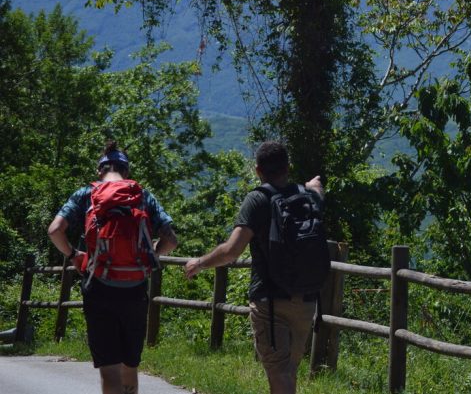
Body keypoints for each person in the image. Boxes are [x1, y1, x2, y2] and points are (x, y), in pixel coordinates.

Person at [185, 141, 325, 394]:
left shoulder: (258, 199)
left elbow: (232, 251)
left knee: (279, 372)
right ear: (288, 167)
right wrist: (314, 186)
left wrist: (200, 262)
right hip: (306, 299)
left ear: (258, 170)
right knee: (289, 369)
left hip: (269, 301)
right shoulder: (308, 196)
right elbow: (317, 192)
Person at [48, 140, 178, 394]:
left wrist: (73, 255)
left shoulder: (86, 194)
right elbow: (171, 240)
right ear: (126, 171)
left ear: (100, 170)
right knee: (130, 366)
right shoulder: (142, 196)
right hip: (135, 290)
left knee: (109, 370)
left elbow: (54, 230)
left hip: (99, 288)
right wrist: (150, 255)